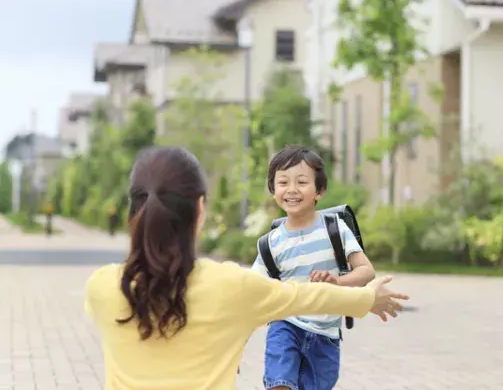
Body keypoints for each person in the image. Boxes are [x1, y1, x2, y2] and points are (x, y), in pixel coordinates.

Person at [83, 146, 409, 390]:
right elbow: (299, 298)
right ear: (200, 209)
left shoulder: (101, 288)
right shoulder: (231, 285)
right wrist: (367, 299)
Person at [251, 145, 380, 390]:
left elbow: (366, 271)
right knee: (280, 383)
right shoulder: (270, 243)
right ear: (273, 189)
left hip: (326, 335)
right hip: (285, 324)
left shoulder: (335, 229)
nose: (291, 189)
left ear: (319, 191)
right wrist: (235, 343)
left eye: (301, 182)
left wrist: (336, 282)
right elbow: (249, 291)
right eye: (283, 182)